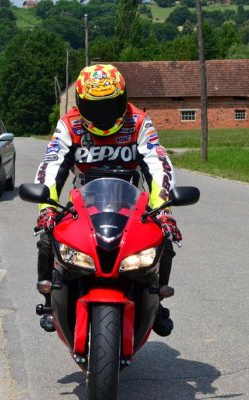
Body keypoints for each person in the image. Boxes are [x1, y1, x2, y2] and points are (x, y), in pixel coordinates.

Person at [33, 64, 181, 336]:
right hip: (82, 204)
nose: (102, 114)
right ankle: (49, 300)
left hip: (131, 204)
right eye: (94, 106)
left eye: (110, 105)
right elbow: (51, 165)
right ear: (80, 102)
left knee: (163, 239)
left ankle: (158, 301)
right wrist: (48, 209)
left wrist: (163, 210)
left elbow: (158, 163)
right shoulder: (69, 124)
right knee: (47, 238)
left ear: (123, 98)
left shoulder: (139, 122)